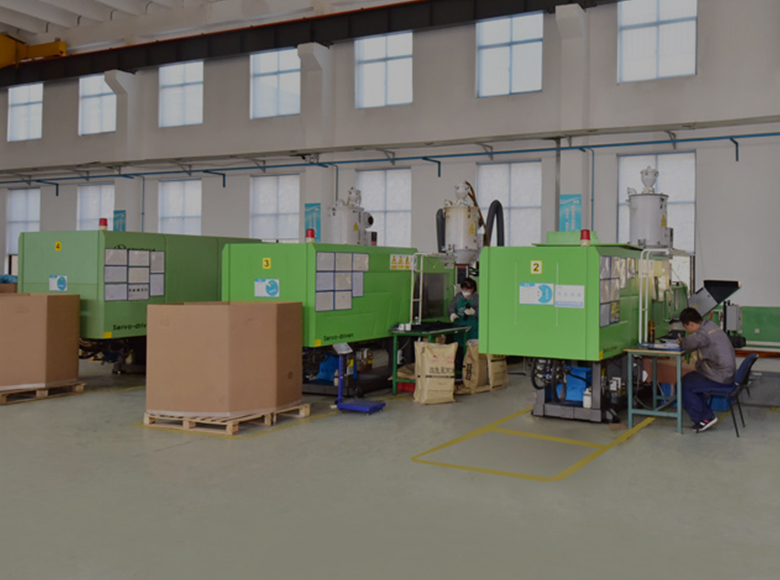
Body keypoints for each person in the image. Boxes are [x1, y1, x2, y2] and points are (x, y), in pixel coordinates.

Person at [677, 307, 736, 432]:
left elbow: (688, 344)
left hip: (720, 376)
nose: (687, 331)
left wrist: (681, 342)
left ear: (691, 324)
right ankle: (704, 414)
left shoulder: (703, 334)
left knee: (684, 385)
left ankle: (705, 418)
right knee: (689, 379)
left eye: (686, 327)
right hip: (725, 373)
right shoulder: (710, 325)